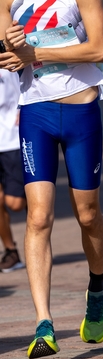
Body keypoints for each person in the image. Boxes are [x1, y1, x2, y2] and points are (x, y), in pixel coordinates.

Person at [0, 0, 103, 359]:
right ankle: (43, 322)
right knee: (38, 216)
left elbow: (100, 48)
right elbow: (6, 50)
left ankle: (97, 287)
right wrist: (9, 51)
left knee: (87, 215)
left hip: (81, 112)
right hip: (36, 115)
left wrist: (35, 53)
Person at [0, 69, 26, 272]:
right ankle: (11, 251)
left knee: (15, 203)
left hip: (11, 139)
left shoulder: (7, 57)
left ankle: (39, 233)